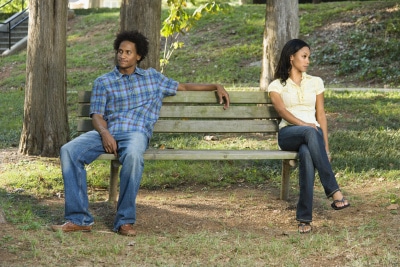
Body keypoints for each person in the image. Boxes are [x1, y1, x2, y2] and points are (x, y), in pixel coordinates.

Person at [51, 30, 230, 236]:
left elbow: (183, 86)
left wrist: (215, 85)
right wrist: (105, 133)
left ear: (138, 56)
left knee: (134, 156)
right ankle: (79, 219)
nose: (122, 55)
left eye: (128, 52)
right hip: (107, 132)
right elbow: (97, 115)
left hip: (136, 133)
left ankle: (125, 221)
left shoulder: (152, 78)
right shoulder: (104, 81)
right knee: (69, 151)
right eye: (120, 51)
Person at [267, 39, 350, 234]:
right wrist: (305, 125)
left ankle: (304, 218)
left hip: (312, 136)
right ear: (291, 57)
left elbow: (321, 115)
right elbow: (281, 111)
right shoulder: (277, 85)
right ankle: (334, 191)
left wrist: (325, 147)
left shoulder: (316, 82)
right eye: (304, 56)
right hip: (289, 133)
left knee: (306, 154)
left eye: (309, 57)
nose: (307, 61)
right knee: (310, 131)